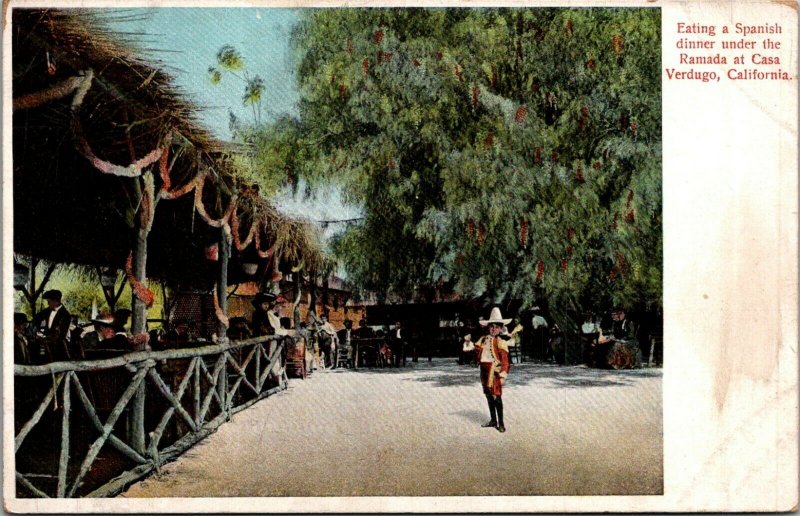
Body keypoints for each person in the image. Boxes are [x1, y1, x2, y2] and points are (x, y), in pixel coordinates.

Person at [474, 307, 511, 433]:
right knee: (489, 396)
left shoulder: (501, 342)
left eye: (496, 327)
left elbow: (505, 360)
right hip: (484, 371)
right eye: (491, 326)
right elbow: (477, 352)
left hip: (493, 372)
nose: (493, 329)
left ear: (500, 329)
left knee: (497, 397)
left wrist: (503, 375)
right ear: (488, 327)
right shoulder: (483, 339)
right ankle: (493, 420)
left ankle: (501, 423)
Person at [32, 289, 72, 361]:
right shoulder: (46, 311)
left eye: (49, 301)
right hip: (44, 346)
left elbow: (60, 335)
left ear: (56, 301)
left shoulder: (65, 315)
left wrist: (45, 339)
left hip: (57, 348)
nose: (47, 303)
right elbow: (35, 320)